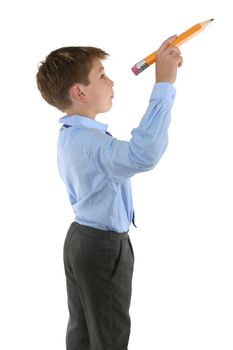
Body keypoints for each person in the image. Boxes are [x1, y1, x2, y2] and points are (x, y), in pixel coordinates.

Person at [36, 35, 183, 350]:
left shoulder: (71, 136)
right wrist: (164, 84)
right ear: (80, 92)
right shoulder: (92, 145)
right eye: (102, 75)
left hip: (80, 240)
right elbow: (143, 154)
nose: (111, 80)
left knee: (84, 332)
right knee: (110, 335)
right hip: (103, 249)